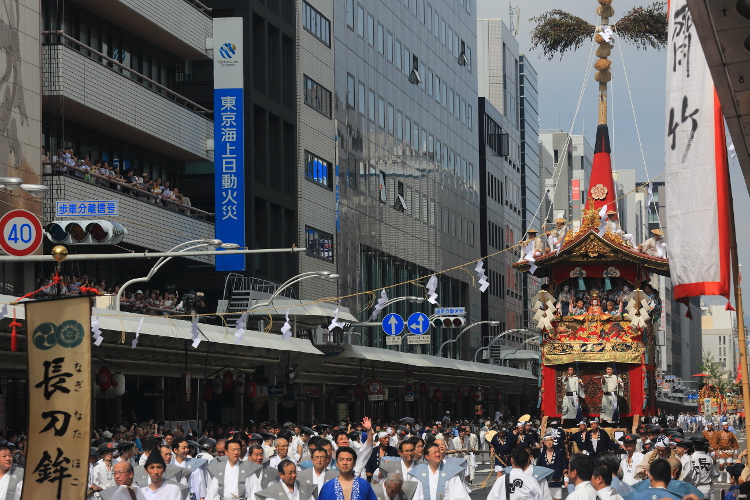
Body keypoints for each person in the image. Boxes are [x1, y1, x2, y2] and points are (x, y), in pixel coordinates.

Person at [537, 433, 567, 500]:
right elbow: (538, 469)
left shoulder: (559, 453)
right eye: (547, 440)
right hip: (545, 483)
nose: (549, 442)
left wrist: (566, 479)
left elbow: (564, 466)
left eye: (551, 440)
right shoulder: (541, 455)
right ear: (544, 442)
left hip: (557, 481)